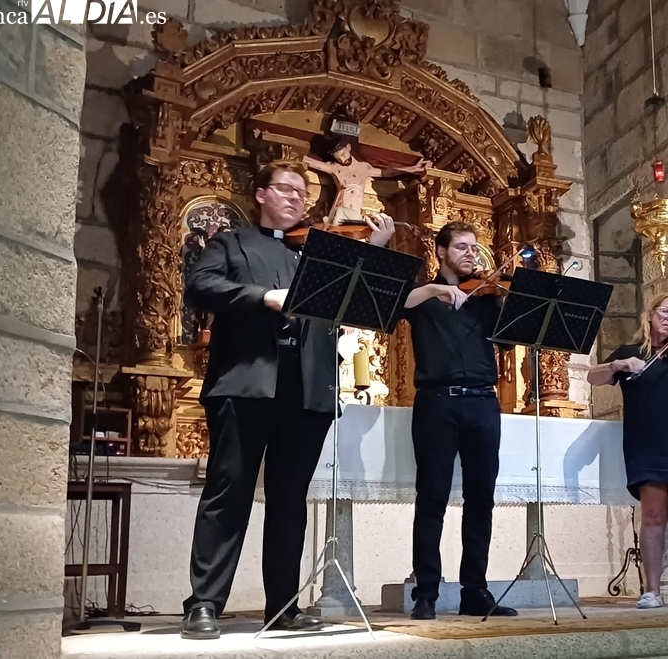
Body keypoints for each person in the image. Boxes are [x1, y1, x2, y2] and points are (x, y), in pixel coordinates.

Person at [179, 159, 396, 639]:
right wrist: (262, 297)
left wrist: (374, 251)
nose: (297, 198)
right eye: (286, 190)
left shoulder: (316, 253)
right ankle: (205, 604)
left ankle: (283, 605)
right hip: (246, 381)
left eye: (303, 193)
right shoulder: (231, 243)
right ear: (261, 194)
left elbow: (359, 298)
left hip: (307, 387)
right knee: (228, 493)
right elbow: (200, 285)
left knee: (289, 500)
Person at [398, 221, 518, 621]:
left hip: (483, 403)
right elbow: (397, 303)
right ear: (442, 252)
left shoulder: (487, 298)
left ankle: (475, 591)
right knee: (431, 498)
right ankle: (426, 593)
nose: (471, 254)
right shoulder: (424, 298)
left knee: (481, 499)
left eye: (474, 247)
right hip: (437, 404)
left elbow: (509, 337)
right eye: (462, 247)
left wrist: (513, 297)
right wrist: (434, 289)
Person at [586, 293, 668, 610]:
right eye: (665, 311)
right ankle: (652, 591)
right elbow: (594, 376)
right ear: (650, 314)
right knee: (654, 516)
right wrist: (617, 364)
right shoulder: (633, 353)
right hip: (647, 439)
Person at [304, 134, 429, 227]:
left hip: (356, 214)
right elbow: (312, 163)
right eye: (338, 158)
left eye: (343, 154)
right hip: (340, 211)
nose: (342, 160)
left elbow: (388, 172)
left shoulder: (364, 168)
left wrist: (413, 169)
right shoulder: (335, 167)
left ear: (348, 147)